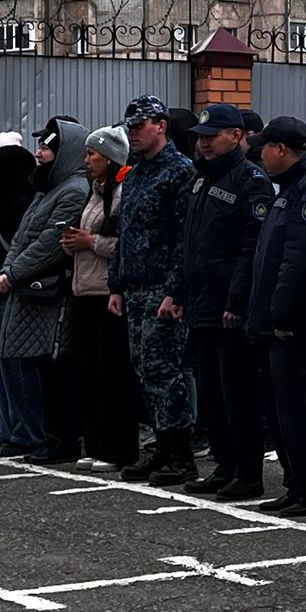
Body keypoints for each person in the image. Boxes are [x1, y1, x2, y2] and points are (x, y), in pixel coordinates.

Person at [173, 104, 271, 501]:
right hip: (201, 302)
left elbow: (251, 249)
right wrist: (179, 293)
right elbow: (191, 245)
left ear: (236, 136)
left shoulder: (251, 180)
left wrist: (236, 300)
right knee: (213, 394)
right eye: (200, 137)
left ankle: (248, 473)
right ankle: (226, 465)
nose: (204, 144)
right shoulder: (200, 179)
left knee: (239, 395)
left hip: (230, 308)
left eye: (212, 137)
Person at [248, 116, 306, 517]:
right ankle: (297, 483)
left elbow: (301, 260)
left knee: (297, 405)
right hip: (276, 320)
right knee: (282, 407)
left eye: (266, 148)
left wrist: (281, 312)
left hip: (294, 322)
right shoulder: (290, 188)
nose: (261, 155)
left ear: (282, 149)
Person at [110, 96, 198, 486]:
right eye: (130, 127)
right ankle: (162, 447)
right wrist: (117, 283)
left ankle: (180, 453)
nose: (134, 133)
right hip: (135, 285)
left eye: (140, 126)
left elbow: (184, 238)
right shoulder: (136, 173)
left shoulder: (179, 171)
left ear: (160, 125)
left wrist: (176, 291)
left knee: (166, 372)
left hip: (163, 286)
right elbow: (124, 231)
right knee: (144, 370)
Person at [0, 120, 89, 464]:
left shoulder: (74, 190)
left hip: (48, 294)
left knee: (46, 368)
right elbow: (22, 236)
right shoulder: (46, 189)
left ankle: (47, 436)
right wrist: (9, 268)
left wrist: (15, 272)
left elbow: (52, 242)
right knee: (21, 362)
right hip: (27, 288)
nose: (40, 154)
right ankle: (36, 434)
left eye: (48, 148)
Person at [61, 125, 143, 472]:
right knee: (89, 373)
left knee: (113, 374)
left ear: (110, 157)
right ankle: (95, 443)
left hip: (107, 294)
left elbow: (126, 244)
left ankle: (117, 448)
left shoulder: (123, 192)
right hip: (85, 290)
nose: (87, 160)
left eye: (93, 154)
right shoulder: (95, 192)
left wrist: (89, 243)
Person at [0, 143, 37, 456]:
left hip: (15, 289)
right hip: (3, 288)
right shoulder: (7, 202)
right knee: (2, 365)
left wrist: (9, 274)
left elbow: (19, 248)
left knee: (14, 365)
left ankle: (20, 431)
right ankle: (9, 428)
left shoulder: (19, 204)